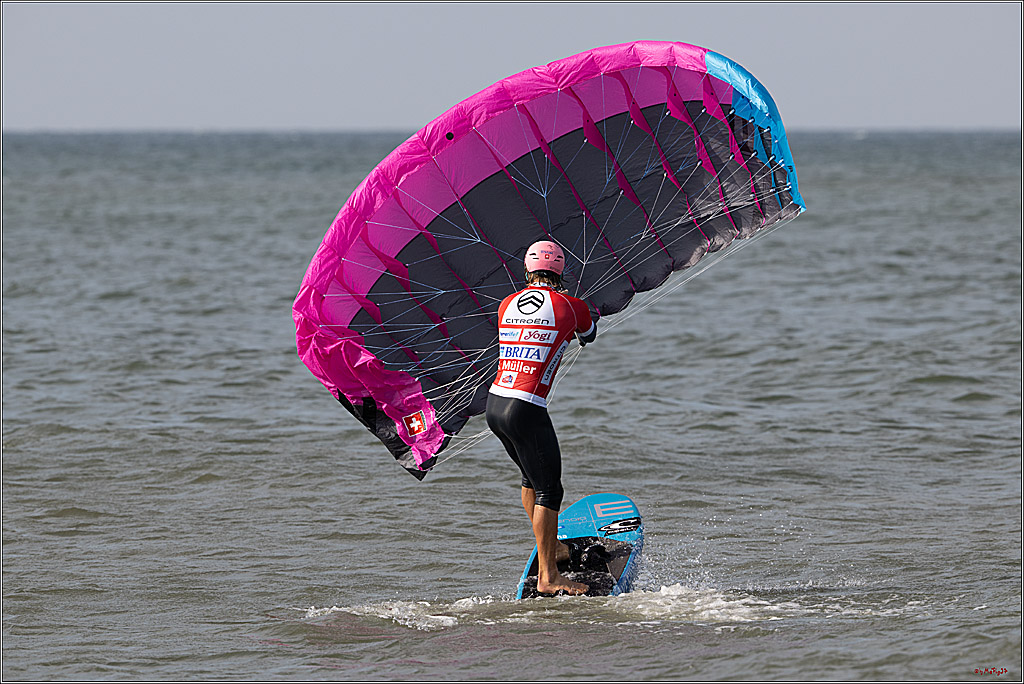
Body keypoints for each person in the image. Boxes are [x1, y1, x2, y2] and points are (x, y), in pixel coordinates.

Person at [485, 240, 598, 595]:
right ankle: (550, 577)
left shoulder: (505, 305)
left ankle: (556, 547)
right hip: (526, 406)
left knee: (530, 479)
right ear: (561, 271)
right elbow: (588, 335)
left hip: (496, 404)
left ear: (527, 270)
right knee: (551, 488)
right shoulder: (571, 305)